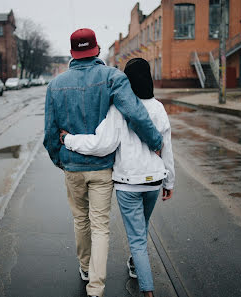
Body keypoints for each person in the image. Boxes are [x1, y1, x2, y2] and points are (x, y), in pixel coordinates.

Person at [43, 29, 163, 297]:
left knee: (80, 220)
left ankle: (85, 268)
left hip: (72, 167)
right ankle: (95, 288)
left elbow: (50, 132)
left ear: (72, 53)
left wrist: (59, 158)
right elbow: (135, 113)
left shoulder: (55, 85)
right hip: (101, 168)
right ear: (96, 50)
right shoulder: (112, 78)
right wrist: (156, 141)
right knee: (100, 225)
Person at [60, 58, 175, 297]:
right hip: (154, 181)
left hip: (128, 184)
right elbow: (167, 148)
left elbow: (102, 144)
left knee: (137, 240)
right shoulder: (159, 108)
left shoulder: (119, 108)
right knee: (141, 229)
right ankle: (135, 264)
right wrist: (169, 181)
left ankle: (148, 290)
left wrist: (68, 140)